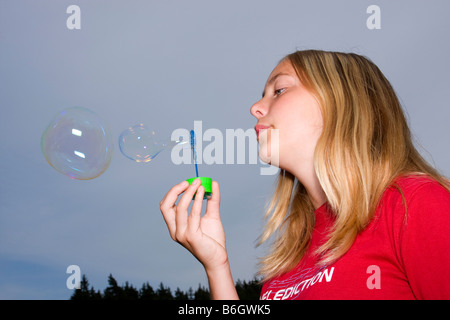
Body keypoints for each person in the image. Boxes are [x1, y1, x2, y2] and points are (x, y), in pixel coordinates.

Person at [159, 50, 450, 300]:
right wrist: (217, 265)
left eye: (279, 90)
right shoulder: (293, 253)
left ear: (338, 102)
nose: (256, 108)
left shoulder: (416, 204)